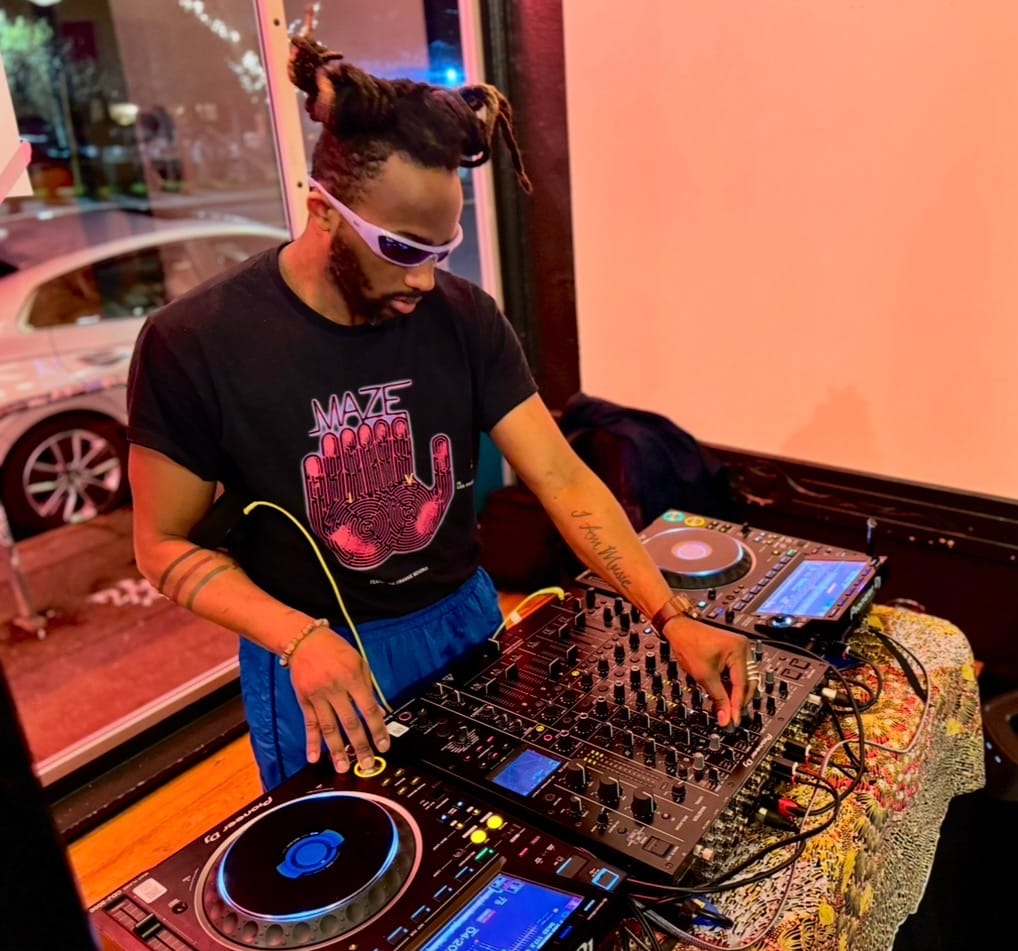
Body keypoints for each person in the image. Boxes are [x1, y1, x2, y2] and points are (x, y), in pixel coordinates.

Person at [126, 25, 752, 790]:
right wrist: (295, 637)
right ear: (324, 212)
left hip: (462, 618)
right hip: (315, 650)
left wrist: (670, 616)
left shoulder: (465, 317)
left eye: (441, 249)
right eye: (401, 250)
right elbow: (161, 543)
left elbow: (562, 478)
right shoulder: (195, 341)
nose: (424, 280)